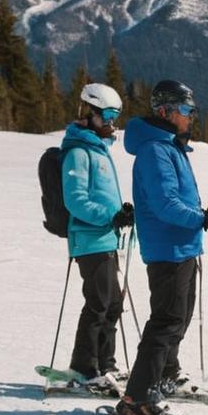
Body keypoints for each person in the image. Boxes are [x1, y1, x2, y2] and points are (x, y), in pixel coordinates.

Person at [116, 80, 208, 415]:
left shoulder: (170, 146)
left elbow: (177, 198)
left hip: (182, 246)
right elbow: (165, 204)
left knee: (178, 319)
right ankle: (136, 398)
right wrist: (200, 220)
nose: (191, 116)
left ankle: (164, 375)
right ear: (165, 111)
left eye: (192, 110)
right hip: (168, 249)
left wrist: (201, 216)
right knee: (166, 322)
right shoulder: (154, 150)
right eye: (185, 110)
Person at [60, 83, 133, 390]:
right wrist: (110, 216)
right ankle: (84, 368)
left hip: (107, 239)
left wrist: (121, 214)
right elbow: (74, 200)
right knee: (98, 304)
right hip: (89, 240)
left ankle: (106, 363)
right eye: (106, 115)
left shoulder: (98, 150)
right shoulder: (78, 153)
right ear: (88, 113)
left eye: (115, 115)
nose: (111, 122)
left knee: (113, 304)